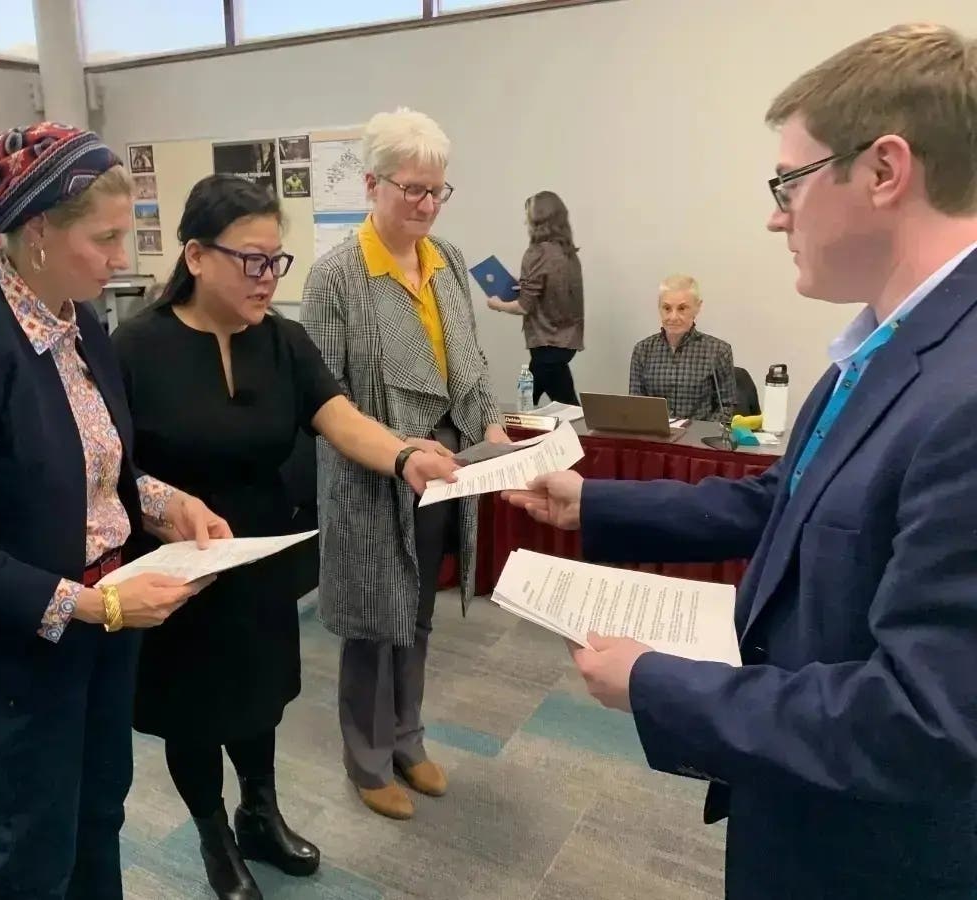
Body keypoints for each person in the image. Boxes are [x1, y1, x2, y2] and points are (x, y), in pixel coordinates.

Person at [506, 23, 977, 899]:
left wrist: (658, 685)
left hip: (871, 857)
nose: (773, 213)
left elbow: (922, 721)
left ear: (884, 171)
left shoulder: (964, 392)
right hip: (798, 811)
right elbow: (779, 504)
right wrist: (593, 502)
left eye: (789, 181)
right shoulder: (876, 348)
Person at [0, 123, 229, 900]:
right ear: (38, 229)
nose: (122, 259)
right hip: (27, 641)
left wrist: (167, 504)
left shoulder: (82, 321)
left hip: (107, 626)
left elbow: (98, 474)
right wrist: (96, 604)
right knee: (37, 844)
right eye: (106, 238)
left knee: (99, 811)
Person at [112, 174, 459, 900]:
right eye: (251, 260)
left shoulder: (284, 342)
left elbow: (339, 417)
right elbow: (112, 466)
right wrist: (163, 508)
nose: (267, 277)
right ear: (197, 256)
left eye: (277, 260)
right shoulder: (138, 347)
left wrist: (403, 454)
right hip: (179, 564)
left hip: (264, 556)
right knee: (194, 709)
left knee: (260, 695)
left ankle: (259, 814)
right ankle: (213, 835)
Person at [301, 108, 508, 821]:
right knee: (372, 623)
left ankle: (407, 739)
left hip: (446, 473)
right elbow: (323, 397)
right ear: (371, 184)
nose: (425, 205)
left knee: (416, 617)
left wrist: (489, 424)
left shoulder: (446, 260)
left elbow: (469, 363)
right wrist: (397, 451)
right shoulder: (336, 278)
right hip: (371, 480)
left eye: (436, 191)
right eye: (411, 189)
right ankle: (366, 760)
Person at [486, 190, 584, 405]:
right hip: (566, 344)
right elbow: (551, 290)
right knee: (529, 401)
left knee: (559, 406)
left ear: (539, 218)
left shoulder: (537, 253)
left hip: (547, 344)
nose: (525, 221)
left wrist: (497, 305)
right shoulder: (568, 253)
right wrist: (525, 284)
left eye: (528, 216)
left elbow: (523, 306)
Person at [628, 274, 734, 420]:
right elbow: (636, 405)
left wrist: (699, 433)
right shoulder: (642, 351)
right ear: (659, 308)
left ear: (697, 308)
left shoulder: (718, 351)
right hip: (656, 437)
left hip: (698, 439)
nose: (673, 317)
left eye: (682, 308)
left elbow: (726, 407)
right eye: (667, 308)